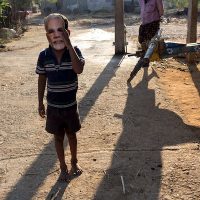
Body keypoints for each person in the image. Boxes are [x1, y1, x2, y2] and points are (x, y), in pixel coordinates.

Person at [36, 13, 85, 181]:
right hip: (53, 107)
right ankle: (63, 167)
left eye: (60, 30)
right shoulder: (43, 56)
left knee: (72, 135)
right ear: (47, 35)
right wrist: (40, 102)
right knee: (58, 137)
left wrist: (69, 45)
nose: (56, 34)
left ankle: (74, 161)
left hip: (70, 106)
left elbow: (78, 69)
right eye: (51, 31)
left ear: (68, 32)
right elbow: (42, 79)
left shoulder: (75, 52)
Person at [127, 0, 164, 82]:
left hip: (153, 23)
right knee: (142, 41)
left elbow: (161, 11)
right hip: (144, 24)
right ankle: (147, 58)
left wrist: (157, 18)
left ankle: (147, 60)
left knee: (150, 44)